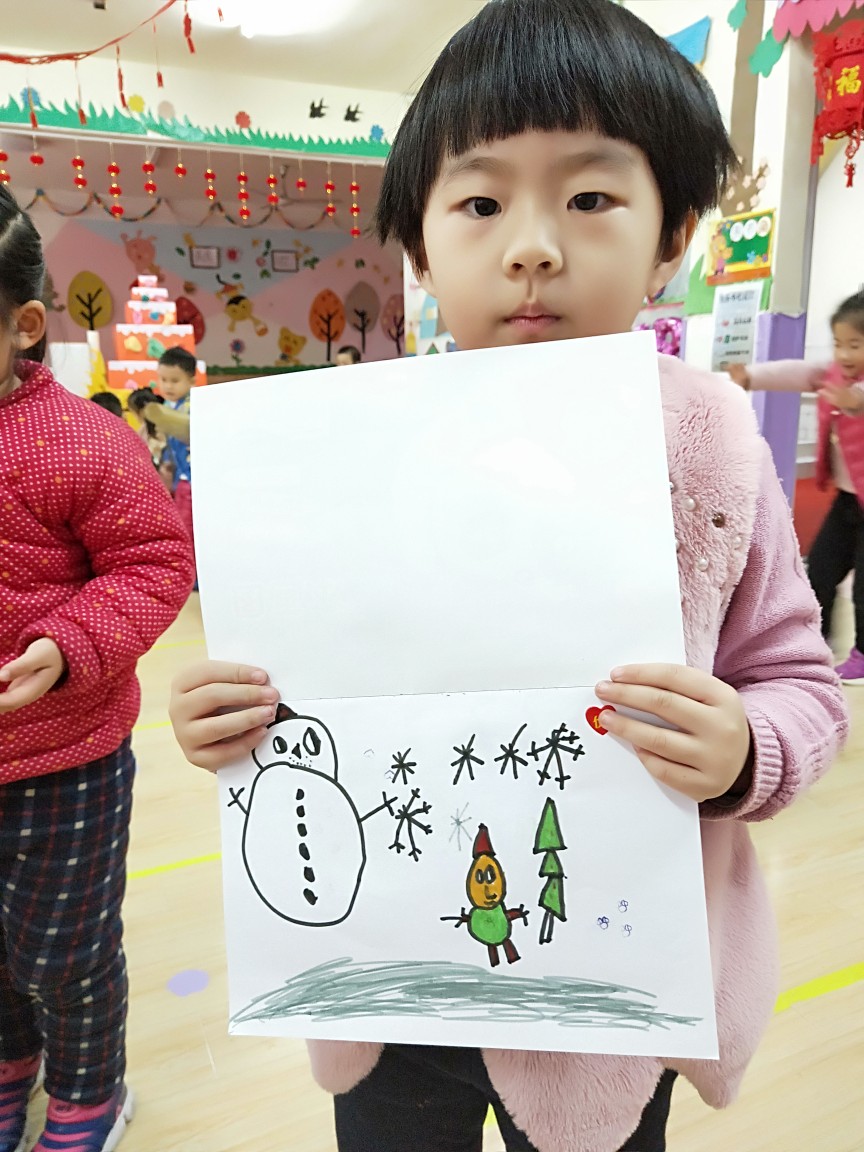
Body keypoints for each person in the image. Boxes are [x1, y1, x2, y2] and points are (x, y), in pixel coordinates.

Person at [167, 3, 849, 1150]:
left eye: (590, 198)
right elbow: (291, 683)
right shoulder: (344, 449)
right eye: (482, 204)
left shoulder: (711, 446)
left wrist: (746, 748)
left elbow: (801, 684)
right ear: (421, 248)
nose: (533, 245)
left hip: (611, 997)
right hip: (385, 983)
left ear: (674, 235)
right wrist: (225, 718)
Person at [0, 186, 195, 1152]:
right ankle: (10, 1071)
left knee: (62, 956)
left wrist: (64, 646)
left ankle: (89, 1098)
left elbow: (156, 563)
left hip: (65, 761)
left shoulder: (81, 438)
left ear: (24, 326)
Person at [729, 290, 864, 683]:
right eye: (838, 343)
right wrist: (751, 376)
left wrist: (854, 399)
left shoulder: (853, 388)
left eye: (855, 345)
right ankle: (815, 643)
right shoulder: (833, 374)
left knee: (863, 590)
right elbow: (799, 372)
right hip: (848, 500)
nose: (843, 354)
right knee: (818, 569)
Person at [140, 348, 196, 582]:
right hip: (178, 477)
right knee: (181, 525)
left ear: (192, 380)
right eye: (163, 380)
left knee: (189, 528)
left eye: (175, 380)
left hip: (192, 479)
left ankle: (193, 576)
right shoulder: (170, 407)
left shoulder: (192, 407)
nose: (168, 386)